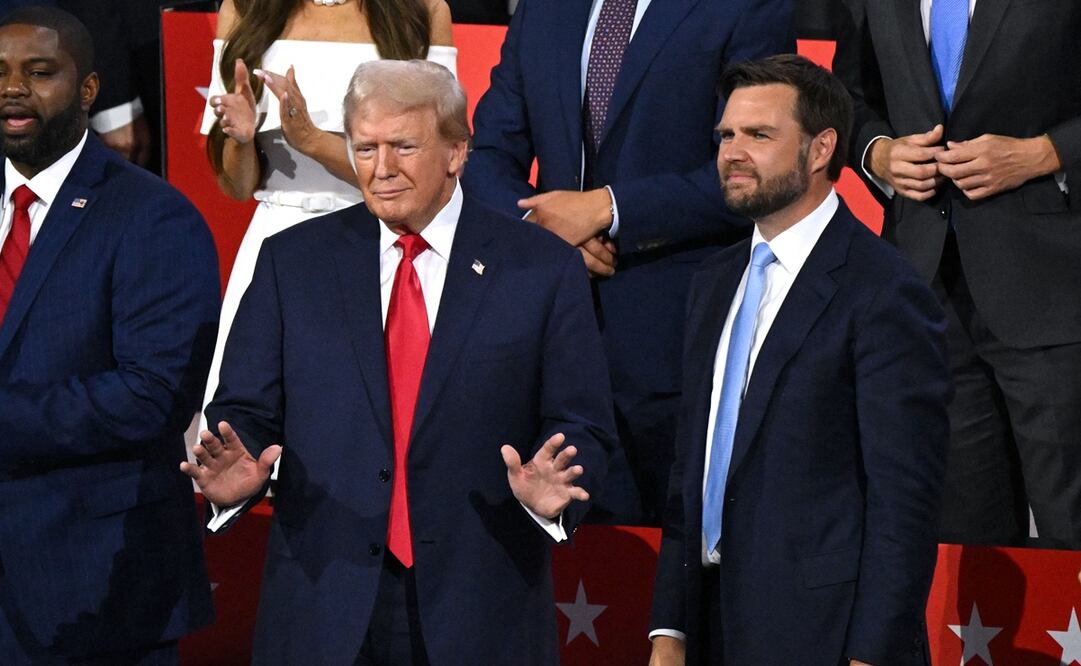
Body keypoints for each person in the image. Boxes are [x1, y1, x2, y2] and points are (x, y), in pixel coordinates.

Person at [182, 60, 614, 665]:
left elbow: (583, 423)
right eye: (364, 148)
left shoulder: (541, 268)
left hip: (480, 604)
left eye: (403, 147)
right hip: (324, 601)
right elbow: (243, 411)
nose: (380, 170)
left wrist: (560, 491)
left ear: (458, 151)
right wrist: (238, 474)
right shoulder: (292, 263)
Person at [648, 55, 949, 665]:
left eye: (759, 135)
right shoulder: (713, 282)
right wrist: (669, 631)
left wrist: (872, 655)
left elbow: (904, 503)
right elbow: (691, 472)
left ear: (821, 150)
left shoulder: (884, 290)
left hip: (825, 638)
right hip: (709, 628)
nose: (733, 151)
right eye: (726, 135)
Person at [462, 0, 795, 524]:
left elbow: (753, 164)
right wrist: (544, 231)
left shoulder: (744, 8)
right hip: (549, 339)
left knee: (676, 568)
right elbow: (485, 156)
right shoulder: (543, 10)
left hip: (675, 342)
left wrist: (607, 208)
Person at [0, 6, 219, 663]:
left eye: (39, 73)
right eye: (0, 73)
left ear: (89, 90)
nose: (13, 88)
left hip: (96, 584)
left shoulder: (153, 216)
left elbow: (152, 395)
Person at [833, 0, 1081, 549]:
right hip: (925, 286)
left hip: (1053, 281)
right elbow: (847, 98)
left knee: (1070, 523)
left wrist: (1046, 153)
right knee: (966, 531)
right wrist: (878, 153)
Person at [198, 0, 456, 440]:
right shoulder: (244, 10)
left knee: (371, 433)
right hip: (276, 243)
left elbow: (436, 168)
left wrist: (312, 141)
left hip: (382, 242)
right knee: (259, 428)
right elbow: (238, 188)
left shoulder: (422, 10)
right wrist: (241, 138)